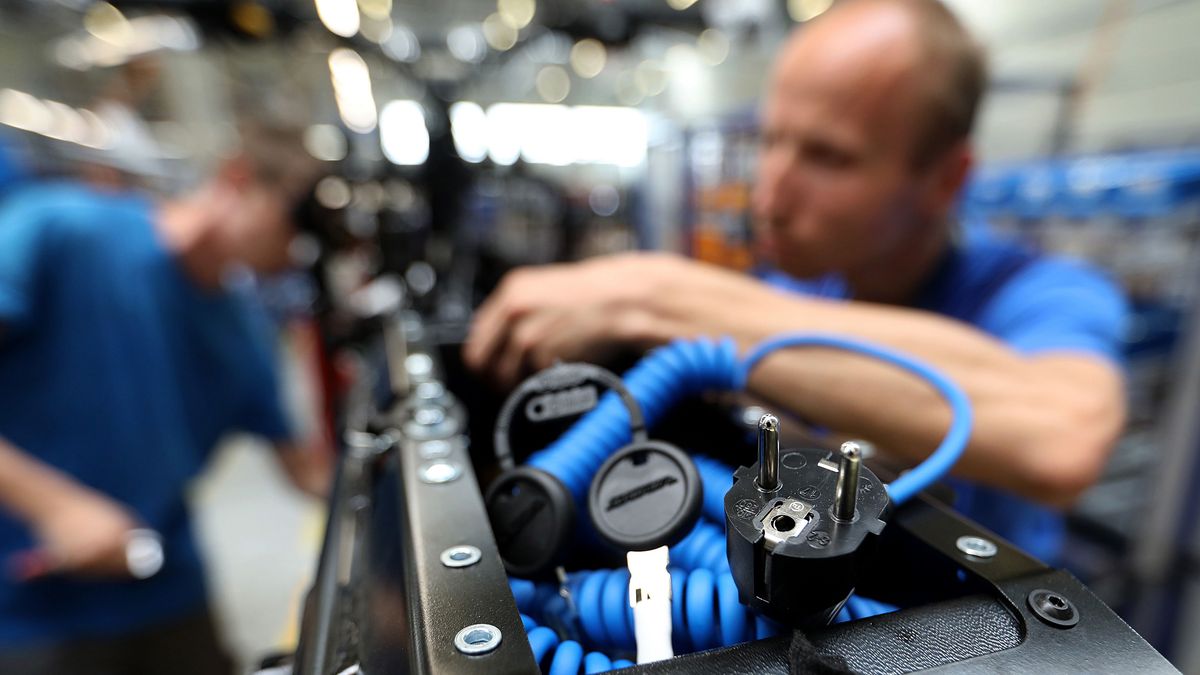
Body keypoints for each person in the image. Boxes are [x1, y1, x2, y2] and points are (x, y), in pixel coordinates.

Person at [463, 0, 1127, 563]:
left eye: (828, 156)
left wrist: (652, 293)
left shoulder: (1045, 291)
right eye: (772, 142)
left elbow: (1062, 432)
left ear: (945, 180)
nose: (769, 196)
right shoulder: (800, 287)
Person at [0, 120, 331, 673]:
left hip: (171, 597)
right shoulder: (60, 229)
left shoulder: (244, 334)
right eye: (297, 220)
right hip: (34, 614)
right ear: (238, 178)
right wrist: (56, 507)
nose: (301, 247)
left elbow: (309, 471)